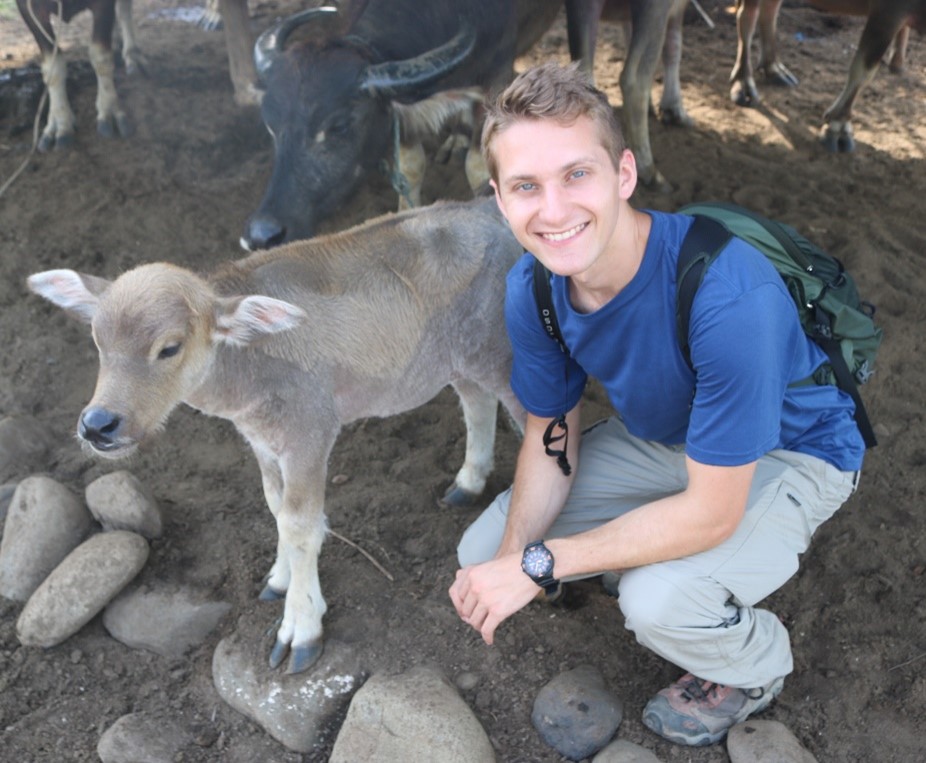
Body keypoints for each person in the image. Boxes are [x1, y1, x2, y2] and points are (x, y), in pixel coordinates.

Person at [448, 62, 864, 748]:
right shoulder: (537, 287)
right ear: (499, 200)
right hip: (674, 439)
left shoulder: (728, 294)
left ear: (624, 175)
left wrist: (541, 566)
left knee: (658, 599)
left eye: (576, 174)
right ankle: (622, 552)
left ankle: (756, 665)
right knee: (482, 547)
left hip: (792, 451)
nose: (552, 210)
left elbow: (712, 508)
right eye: (527, 186)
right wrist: (515, 555)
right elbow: (552, 433)